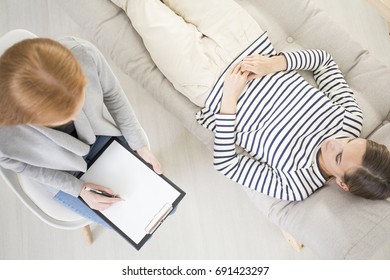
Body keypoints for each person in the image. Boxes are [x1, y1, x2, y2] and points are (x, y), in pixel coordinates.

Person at [115, 0, 390, 201]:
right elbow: (325, 63)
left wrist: (229, 102)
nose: (336, 141)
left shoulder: (295, 185)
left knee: (139, 6)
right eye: (352, 141)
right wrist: (276, 63)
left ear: (342, 183)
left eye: (339, 155)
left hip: (204, 80)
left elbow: (228, 164)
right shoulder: (351, 120)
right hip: (245, 39)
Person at [0, 30, 162, 226]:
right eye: (66, 116)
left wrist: (140, 145)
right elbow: (25, 166)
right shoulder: (5, 136)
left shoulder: (81, 53)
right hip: (57, 170)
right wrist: (79, 189)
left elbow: (112, 93)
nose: (80, 110)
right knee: (135, 223)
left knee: (161, 203)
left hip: (100, 136)